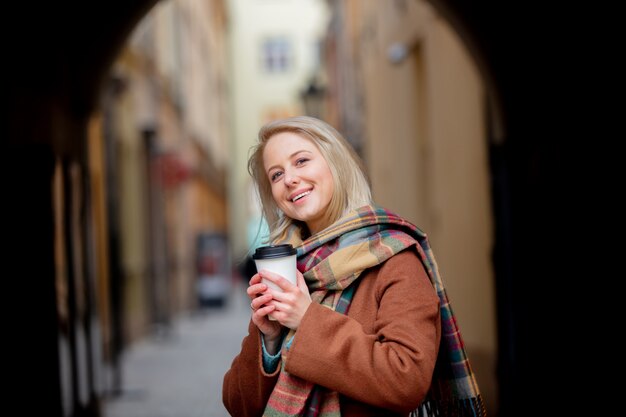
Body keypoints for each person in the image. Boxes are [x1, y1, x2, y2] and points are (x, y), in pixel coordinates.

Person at [222, 116, 485, 417]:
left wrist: (307, 320)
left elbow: (406, 379)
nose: (290, 179)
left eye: (302, 161)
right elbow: (238, 404)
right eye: (276, 174)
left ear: (336, 163)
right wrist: (268, 341)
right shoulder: (289, 270)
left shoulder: (395, 259)